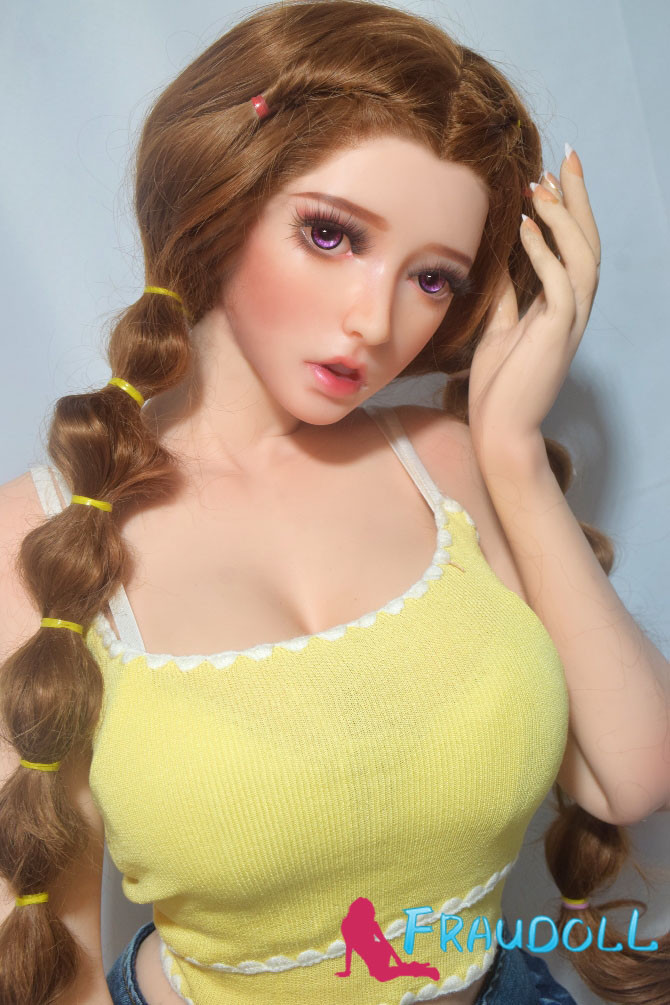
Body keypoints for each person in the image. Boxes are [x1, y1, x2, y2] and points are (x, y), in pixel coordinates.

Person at [0, 1, 668, 1003]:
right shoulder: (37, 540)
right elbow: (53, 965)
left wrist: (513, 454)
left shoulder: (449, 465)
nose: (374, 320)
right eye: (330, 234)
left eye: (432, 279)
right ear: (220, 202)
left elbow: (630, 776)